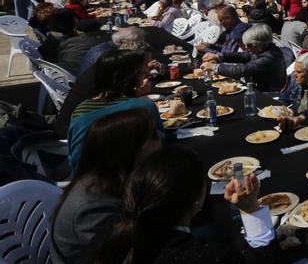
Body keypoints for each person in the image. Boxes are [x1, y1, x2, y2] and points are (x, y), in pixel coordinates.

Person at [90, 145, 280, 263]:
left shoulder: (107, 237)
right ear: (197, 202)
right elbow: (264, 260)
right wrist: (251, 209)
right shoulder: (205, 257)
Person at [51, 108, 161, 264]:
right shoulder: (93, 208)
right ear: (128, 150)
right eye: (154, 137)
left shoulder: (112, 180)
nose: (161, 139)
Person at [67, 49, 162, 171]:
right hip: (134, 179)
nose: (145, 75)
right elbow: (162, 144)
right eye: (142, 73)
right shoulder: (143, 107)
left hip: (86, 180)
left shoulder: (80, 110)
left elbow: (74, 159)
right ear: (131, 78)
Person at [202, 24, 290, 92]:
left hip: (268, 94)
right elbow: (244, 56)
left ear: (259, 44)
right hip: (258, 89)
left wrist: (214, 67)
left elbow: (244, 70)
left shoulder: (270, 56)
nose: (246, 48)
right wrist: (219, 56)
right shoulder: (264, 49)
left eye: (249, 45)